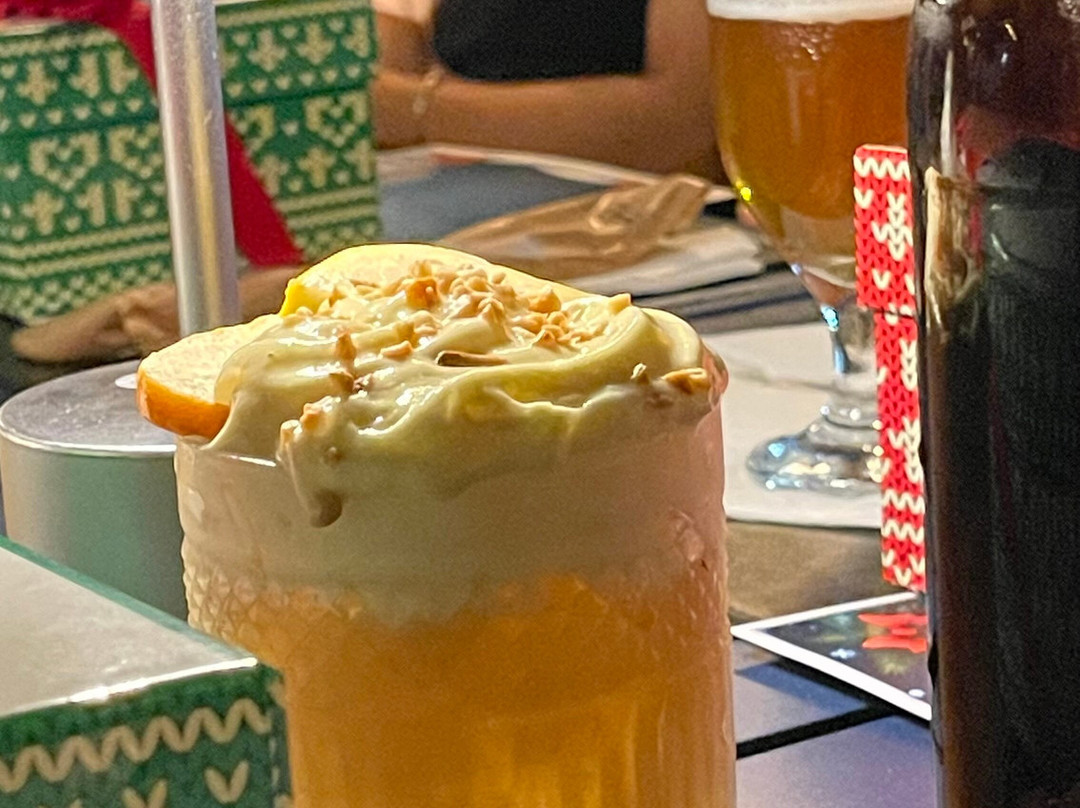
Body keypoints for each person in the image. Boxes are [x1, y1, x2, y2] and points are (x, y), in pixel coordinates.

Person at [372, 0, 722, 179]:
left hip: (652, 243)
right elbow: (462, 49)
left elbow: (690, 129)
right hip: (485, 209)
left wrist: (419, 111)